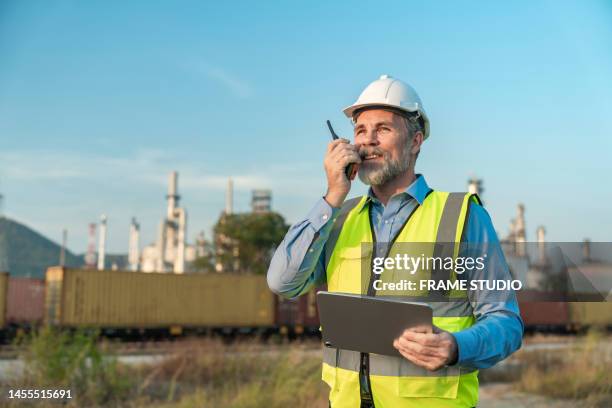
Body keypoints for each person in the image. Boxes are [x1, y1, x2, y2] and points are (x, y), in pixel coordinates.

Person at [267, 75, 523, 408]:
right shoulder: (337, 218)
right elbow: (282, 282)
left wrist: (456, 346)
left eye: (383, 129)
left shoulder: (461, 217)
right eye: (360, 130)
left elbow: (506, 322)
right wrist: (332, 197)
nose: (368, 141)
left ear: (415, 142)